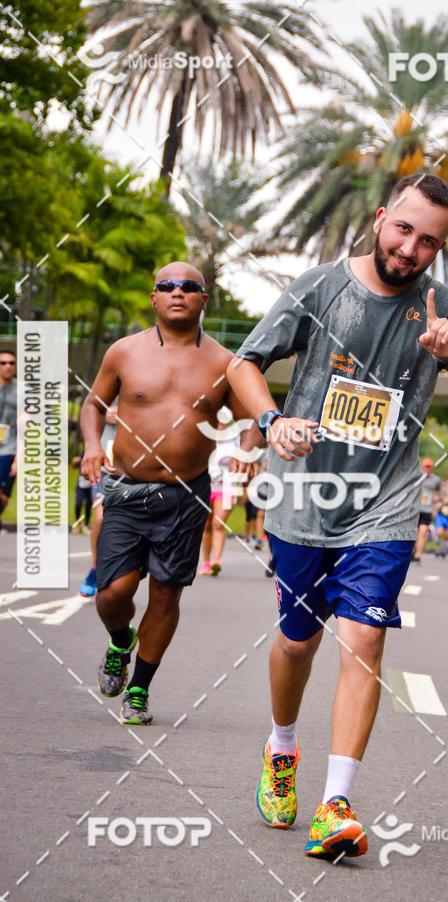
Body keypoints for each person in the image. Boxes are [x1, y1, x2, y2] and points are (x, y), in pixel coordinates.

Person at [227, 173, 448, 859]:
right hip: (303, 497)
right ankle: (282, 746)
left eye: (429, 242)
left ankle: (336, 804)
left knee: (363, 639)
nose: (411, 248)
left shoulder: (445, 311)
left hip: (385, 504)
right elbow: (246, 362)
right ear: (382, 218)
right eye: (404, 230)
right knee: (298, 642)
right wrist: (271, 421)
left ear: (439, 251)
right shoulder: (321, 287)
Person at [80, 262, 260, 725]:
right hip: (125, 490)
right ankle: (121, 640)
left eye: (189, 287)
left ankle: (138, 690)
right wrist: (91, 446)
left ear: (204, 300)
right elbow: (94, 404)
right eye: (167, 286)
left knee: (165, 597)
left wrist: (246, 451)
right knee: (113, 592)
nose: (177, 292)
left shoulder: (225, 362)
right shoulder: (123, 352)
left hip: (184, 496)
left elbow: (249, 417)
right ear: (153, 298)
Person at [77, 404, 119, 595]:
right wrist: (104, 412)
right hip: (104, 469)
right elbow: (89, 408)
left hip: (134, 467)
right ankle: (94, 570)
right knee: (101, 517)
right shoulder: (110, 380)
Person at [199, 407, 241, 576]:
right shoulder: (206, 434)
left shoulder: (234, 437)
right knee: (206, 525)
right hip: (206, 484)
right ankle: (206, 562)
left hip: (226, 484)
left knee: (218, 523)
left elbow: (239, 461)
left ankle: (217, 560)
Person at [0, 348, 17, 532]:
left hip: (9, 449)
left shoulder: (23, 391)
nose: (7, 367)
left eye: (11, 363)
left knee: (3, 496)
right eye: (3, 363)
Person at [413, 457, 441, 562]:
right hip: (415, 508)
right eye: (426, 466)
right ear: (422, 466)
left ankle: (418, 555)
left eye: (429, 467)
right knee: (414, 533)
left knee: (423, 531)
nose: (427, 469)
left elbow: (439, 492)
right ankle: (414, 551)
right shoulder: (416, 476)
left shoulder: (436, 480)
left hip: (427, 510)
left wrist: (436, 501)